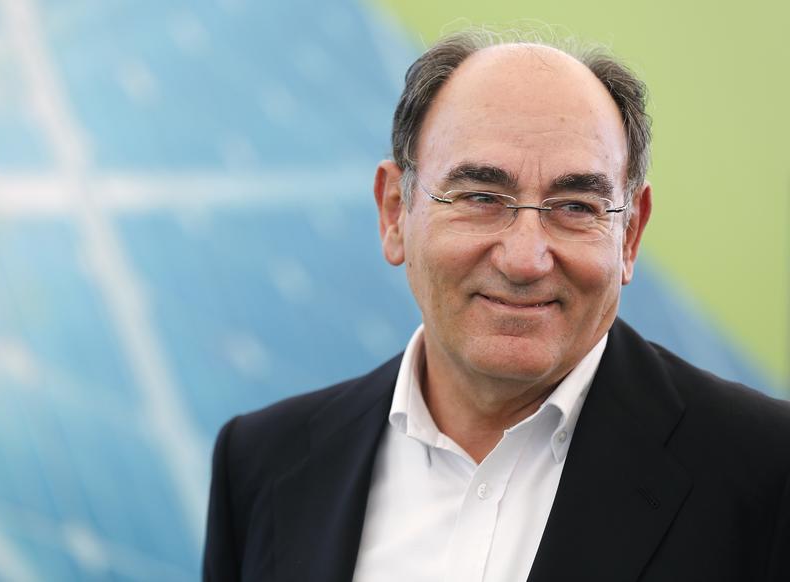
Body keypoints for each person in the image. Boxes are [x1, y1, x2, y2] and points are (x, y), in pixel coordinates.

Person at [203, 30, 790, 582]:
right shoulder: (261, 465)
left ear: (629, 236)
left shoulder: (766, 472)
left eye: (576, 207)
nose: (525, 259)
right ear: (394, 213)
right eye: (482, 197)